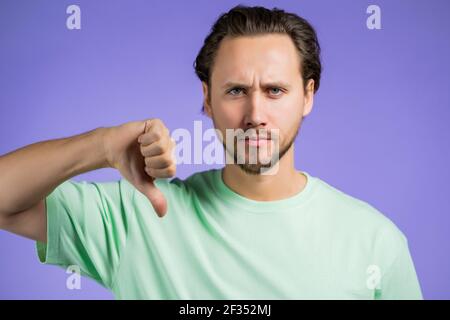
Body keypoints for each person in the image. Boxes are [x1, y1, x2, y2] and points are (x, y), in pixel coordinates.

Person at [0, 5, 422, 299]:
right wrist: (101, 146)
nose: (256, 113)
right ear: (207, 99)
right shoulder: (140, 216)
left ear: (308, 96)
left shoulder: (375, 244)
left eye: (275, 90)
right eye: (236, 90)